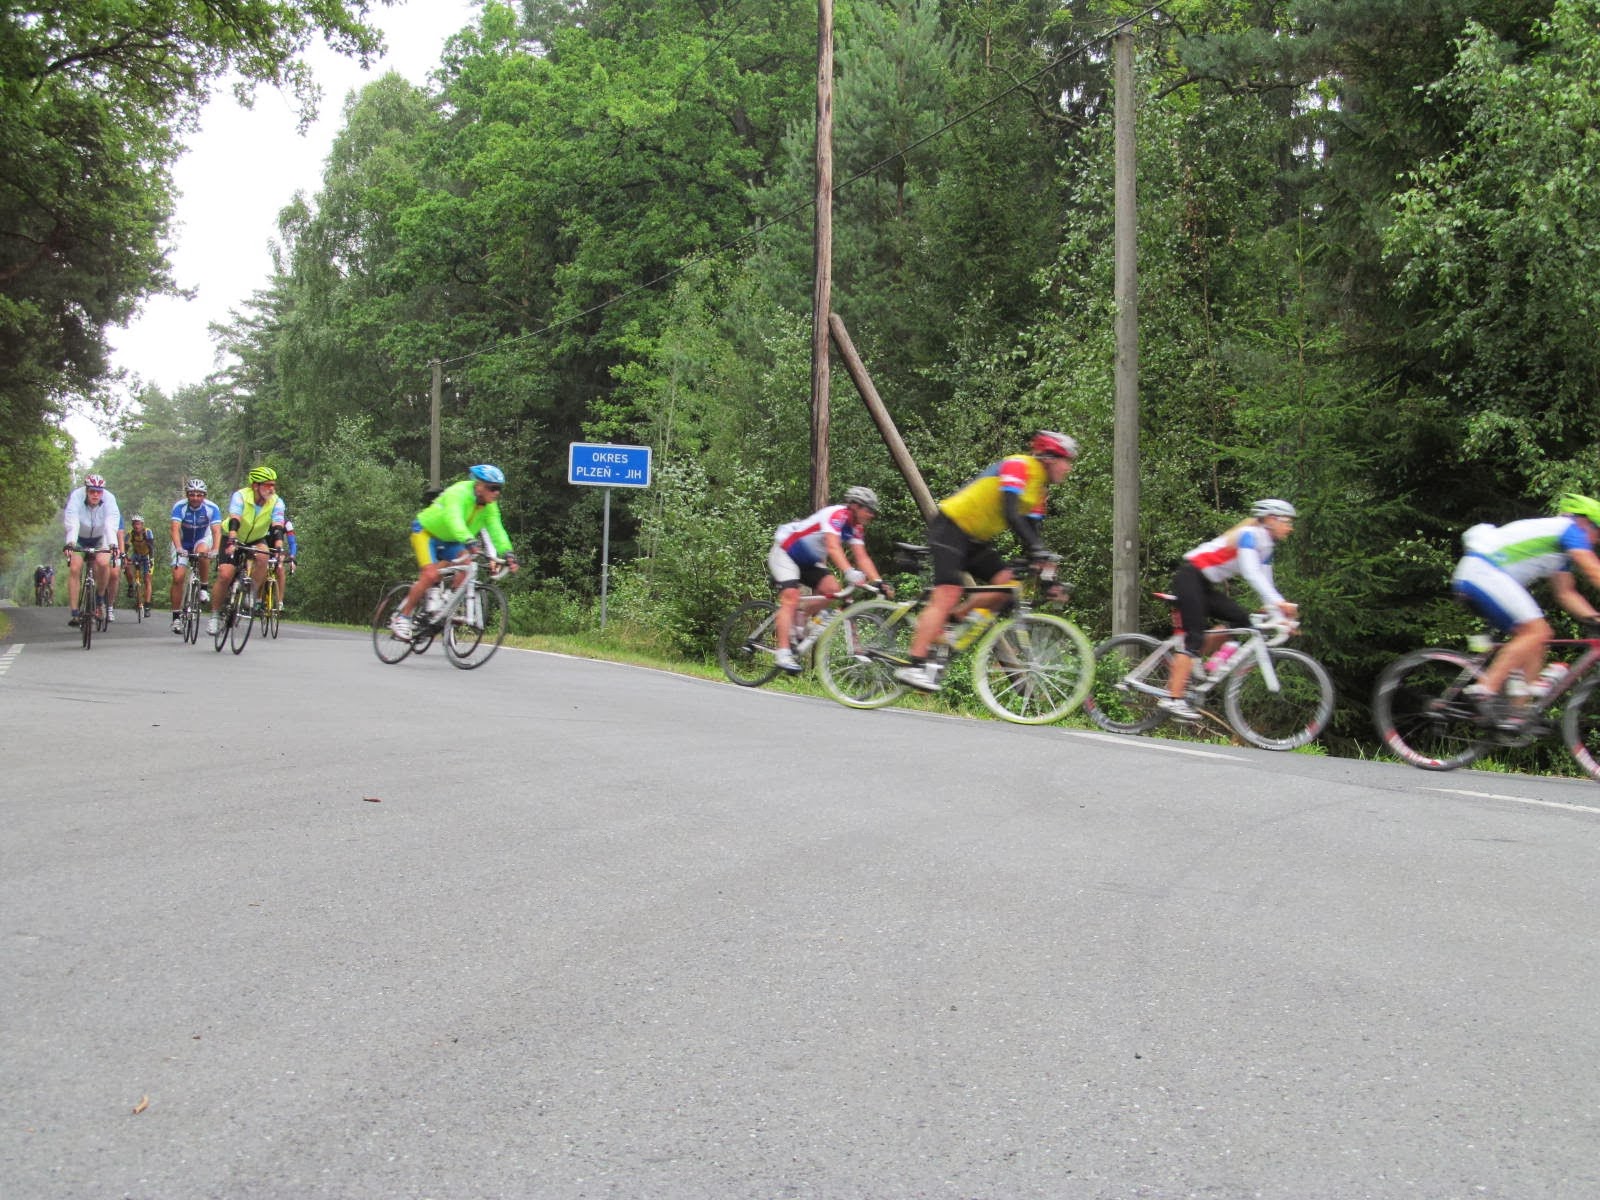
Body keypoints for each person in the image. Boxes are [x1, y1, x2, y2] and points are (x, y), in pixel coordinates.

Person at [894, 431, 1078, 692]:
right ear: (1049, 458)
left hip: (975, 539)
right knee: (948, 593)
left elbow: (1033, 537)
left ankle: (953, 621)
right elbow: (1010, 511)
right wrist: (1038, 551)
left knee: (1007, 586)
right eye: (1066, 461)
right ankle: (915, 665)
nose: (1068, 468)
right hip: (951, 527)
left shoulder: (1039, 492)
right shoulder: (1019, 465)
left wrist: (1049, 578)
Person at [1450, 493, 1600, 727]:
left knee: (1537, 640)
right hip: (1484, 572)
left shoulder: (1561, 552)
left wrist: (1594, 619)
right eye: (1597, 531)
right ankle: (1485, 689)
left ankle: (1516, 717)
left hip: (1481, 575)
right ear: (1583, 521)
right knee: (1537, 631)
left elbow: (1566, 593)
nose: (1596, 539)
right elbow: (1592, 570)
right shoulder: (1568, 529)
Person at [1160, 499, 1301, 722]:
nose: (1290, 527)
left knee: (1242, 620)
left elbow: (1267, 586)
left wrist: (1280, 616)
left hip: (1204, 585)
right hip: (1190, 577)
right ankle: (1173, 699)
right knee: (1194, 637)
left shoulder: (1267, 546)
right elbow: (1252, 573)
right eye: (1287, 521)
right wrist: (1280, 604)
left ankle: (1193, 665)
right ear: (1271, 519)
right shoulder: (1249, 535)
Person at [389, 464, 520, 640]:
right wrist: (469, 540)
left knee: (467, 566)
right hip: (427, 532)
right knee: (430, 575)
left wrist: (508, 553)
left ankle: (446, 606)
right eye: (492, 488)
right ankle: (402, 618)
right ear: (479, 485)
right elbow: (454, 519)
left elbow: (496, 529)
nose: (496, 493)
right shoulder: (458, 493)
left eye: (499, 489)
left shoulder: (489, 506)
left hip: (451, 540)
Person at [767, 486, 889, 674]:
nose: (872, 514)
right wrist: (849, 571)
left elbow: (862, 557)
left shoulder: (856, 528)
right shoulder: (837, 515)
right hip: (786, 552)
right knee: (791, 596)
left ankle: (801, 617)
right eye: (869, 510)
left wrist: (878, 582)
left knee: (834, 591)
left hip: (809, 561)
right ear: (855, 506)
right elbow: (833, 547)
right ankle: (782, 653)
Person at [209, 467, 287, 636]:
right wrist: (232, 539)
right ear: (255, 486)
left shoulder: (276, 501)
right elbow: (235, 518)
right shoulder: (241, 496)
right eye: (267, 485)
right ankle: (214, 615)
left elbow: (278, 525)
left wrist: (279, 547)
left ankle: (250, 593)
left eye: (273, 485)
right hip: (232, 535)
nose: (272, 489)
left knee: (264, 556)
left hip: (256, 538)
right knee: (225, 574)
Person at [62, 474, 124, 627]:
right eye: (92, 491)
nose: (95, 495)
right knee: (75, 568)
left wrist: (113, 544)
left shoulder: (109, 499)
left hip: (100, 537)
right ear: (86, 490)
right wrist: (70, 543)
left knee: (103, 563)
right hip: (79, 537)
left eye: (99, 491)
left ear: (102, 492)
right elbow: (72, 521)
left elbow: (111, 524)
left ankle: (100, 598)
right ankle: (75, 613)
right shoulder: (76, 496)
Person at [170, 478, 223, 633]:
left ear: (204, 496)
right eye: (192, 494)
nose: (195, 498)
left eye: (199, 495)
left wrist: (215, 549)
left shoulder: (211, 508)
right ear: (187, 495)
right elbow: (174, 529)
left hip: (202, 538)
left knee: (202, 553)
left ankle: (204, 587)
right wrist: (179, 548)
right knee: (178, 578)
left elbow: (216, 531)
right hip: (182, 541)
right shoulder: (179, 506)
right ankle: (176, 618)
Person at [122, 514, 156, 616]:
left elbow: (151, 547)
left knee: (147, 580)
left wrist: (151, 559)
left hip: (147, 556)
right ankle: (131, 586)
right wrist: (125, 558)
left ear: (142, 524)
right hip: (136, 555)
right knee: (126, 566)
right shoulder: (130, 534)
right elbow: (125, 548)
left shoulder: (147, 532)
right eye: (134, 524)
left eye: (138, 524)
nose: (136, 526)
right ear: (132, 525)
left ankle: (147, 606)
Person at [272, 518, 298, 613]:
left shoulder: (287, 523)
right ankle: (257, 599)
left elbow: (292, 543)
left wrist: (292, 557)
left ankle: (280, 602)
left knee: (280, 569)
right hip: (264, 546)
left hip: (277, 549)